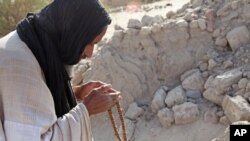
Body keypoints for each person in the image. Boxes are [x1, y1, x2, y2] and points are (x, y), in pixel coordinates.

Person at [0, 0, 121, 140]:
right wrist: (86, 109)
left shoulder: (36, 43)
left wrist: (76, 93)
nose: (90, 53)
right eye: (90, 42)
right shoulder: (20, 65)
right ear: (74, 33)